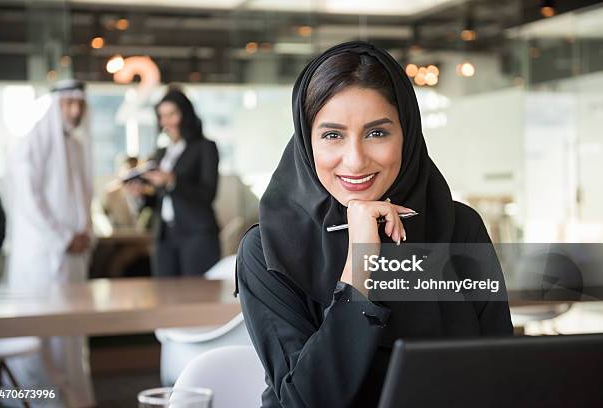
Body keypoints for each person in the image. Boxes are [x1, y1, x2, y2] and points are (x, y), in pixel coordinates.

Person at [235, 41, 513, 407]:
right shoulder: (268, 250)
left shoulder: (459, 227)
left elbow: (503, 373)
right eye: (332, 135)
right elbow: (304, 401)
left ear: (407, 135)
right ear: (307, 142)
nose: (355, 160)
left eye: (377, 132)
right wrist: (360, 264)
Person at [7, 79, 95, 407]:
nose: (74, 110)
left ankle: (73, 398)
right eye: (67, 103)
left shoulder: (74, 145)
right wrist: (63, 237)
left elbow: (82, 198)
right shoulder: (29, 143)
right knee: (42, 337)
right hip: (42, 257)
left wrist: (85, 232)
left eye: (79, 104)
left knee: (71, 334)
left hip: (73, 255)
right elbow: (30, 204)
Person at [142, 88, 220, 277]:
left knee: (196, 297)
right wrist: (141, 194)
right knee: (165, 296)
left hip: (196, 234)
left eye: (172, 114)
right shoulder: (161, 153)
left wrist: (172, 181)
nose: (166, 122)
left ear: (185, 114)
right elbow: (160, 201)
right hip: (165, 235)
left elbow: (208, 193)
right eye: (162, 116)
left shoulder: (205, 147)